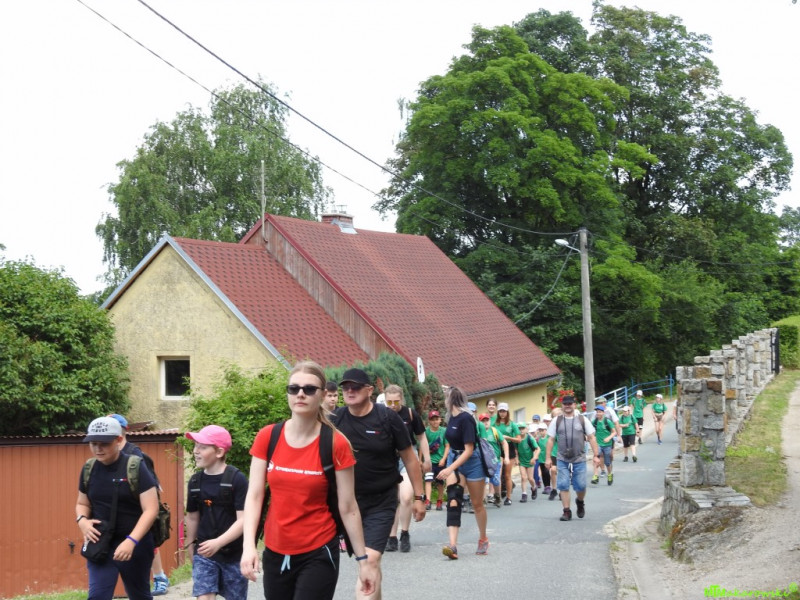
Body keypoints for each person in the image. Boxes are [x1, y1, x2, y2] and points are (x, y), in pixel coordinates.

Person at [241, 362, 376, 600]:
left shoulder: (336, 443)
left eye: (309, 389)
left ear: (323, 395)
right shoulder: (268, 437)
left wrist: (363, 561)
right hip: (275, 550)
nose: (300, 394)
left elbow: (348, 506)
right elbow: (254, 496)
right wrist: (248, 546)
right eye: (294, 388)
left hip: (318, 550)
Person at [328, 368, 423, 600]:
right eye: (345, 387)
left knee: (369, 560)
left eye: (355, 387)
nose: (350, 391)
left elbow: (410, 458)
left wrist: (419, 497)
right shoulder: (335, 419)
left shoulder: (387, 418)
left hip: (381, 501)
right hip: (347, 504)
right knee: (370, 564)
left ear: (369, 390)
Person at [76, 416, 159, 600]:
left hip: (136, 543)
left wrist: (131, 541)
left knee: (139, 596)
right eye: (93, 444)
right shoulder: (89, 469)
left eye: (104, 444)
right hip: (101, 543)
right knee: (97, 596)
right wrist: (82, 521)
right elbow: (82, 503)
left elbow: (151, 509)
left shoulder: (135, 467)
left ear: (119, 440)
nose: (98, 449)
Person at [183, 425, 249, 600]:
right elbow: (192, 517)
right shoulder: (195, 481)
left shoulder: (237, 479)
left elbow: (244, 520)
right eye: (195, 446)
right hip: (205, 553)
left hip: (234, 554)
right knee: (204, 596)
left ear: (219, 452)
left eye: (203, 447)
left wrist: (218, 543)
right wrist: (190, 546)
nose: (196, 451)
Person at [108, 414, 169, 596]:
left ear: (120, 432)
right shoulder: (107, 453)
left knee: (148, 542)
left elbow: (150, 486)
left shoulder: (134, 453)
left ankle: (159, 577)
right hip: (120, 513)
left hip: (140, 509)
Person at [438, 387, 490, 559]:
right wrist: (450, 465)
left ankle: (483, 539)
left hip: (472, 462)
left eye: (446, 398)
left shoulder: (466, 418)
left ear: (451, 399)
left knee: (477, 504)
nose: (444, 401)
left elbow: (469, 450)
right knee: (453, 500)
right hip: (455, 459)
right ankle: (452, 546)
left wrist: (448, 468)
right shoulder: (450, 417)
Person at [385, 384, 431, 553]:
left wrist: (427, 459)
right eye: (389, 402)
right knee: (392, 499)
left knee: (405, 497)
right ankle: (391, 537)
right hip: (388, 459)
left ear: (402, 400)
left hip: (407, 457)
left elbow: (422, 437)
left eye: (396, 402)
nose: (393, 405)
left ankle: (404, 533)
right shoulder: (382, 415)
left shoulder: (410, 414)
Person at [544, 396, 600, 521]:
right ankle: (566, 511)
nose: (568, 405)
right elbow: (550, 439)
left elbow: (591, 437)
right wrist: (548, 458)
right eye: (565, 404)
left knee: (581, 485)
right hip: (562, 458)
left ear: (574, 405)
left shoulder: (582, 420)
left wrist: (596, 455)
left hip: (579, 458)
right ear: (562, 406)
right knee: (563, 484)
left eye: (570, 403)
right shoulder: (556, 421)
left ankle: (580, 501)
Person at [478, 413, 508, 508]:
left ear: (490, 421)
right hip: (482, 461)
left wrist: (506, 457)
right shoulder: (477, 432)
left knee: (495, 480)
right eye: (483, 421)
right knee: (483, 480)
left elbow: (504, 442)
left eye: (487, 420)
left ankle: (497, 496)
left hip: (495, 461)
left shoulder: (494, 431)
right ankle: (483, 500)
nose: (485, 422)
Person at [494, 403, 521, 505]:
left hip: (509, 447)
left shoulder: (512, 424)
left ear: (507, 412)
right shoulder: (494, 423)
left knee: (507, 475)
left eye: (504, 411)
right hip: (497, 447)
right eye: (500, 411)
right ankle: (498, 495)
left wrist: (508, 437)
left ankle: (508, 497)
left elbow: (519, 439)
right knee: (498, 474)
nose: (502, 413)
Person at [425, 410, 448, 511]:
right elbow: (422, 446)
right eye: (432, 419)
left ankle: (439, 500)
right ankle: (428, 500)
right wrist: (422, 460)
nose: (435, 421)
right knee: (428, 480)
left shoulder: (444, 431)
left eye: (436, 419)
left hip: (440, 461)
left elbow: (447, 446)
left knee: (440, 482)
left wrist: (443, 459)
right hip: (430, 461)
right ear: (429, 421)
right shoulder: (426, 431)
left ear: (440, 420)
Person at [590, 406, 616, 486]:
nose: (598, 413)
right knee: (596, 459)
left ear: (603, 413)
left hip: (607, 445)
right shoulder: (594, 422)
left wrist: (609, 438)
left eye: (600, 412)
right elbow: (590, 431)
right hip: (598, 444)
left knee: (607, 462)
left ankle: (609, 474)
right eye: (597, 412)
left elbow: (614, 432)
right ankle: (595, 476)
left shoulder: (607, 421)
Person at [516, 423, 539, 501]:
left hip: (530, 461)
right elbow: (516, 449)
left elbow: (537, 449)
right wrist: (517, 458)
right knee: (523, 477)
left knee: (530, 478)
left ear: (526, 429)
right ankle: (524, 494)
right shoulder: (517, 438)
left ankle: (534, 487)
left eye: (523, 428)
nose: (521, 430)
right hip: (522, 461)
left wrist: (534, 458)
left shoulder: (530, 438)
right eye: (519, 429)